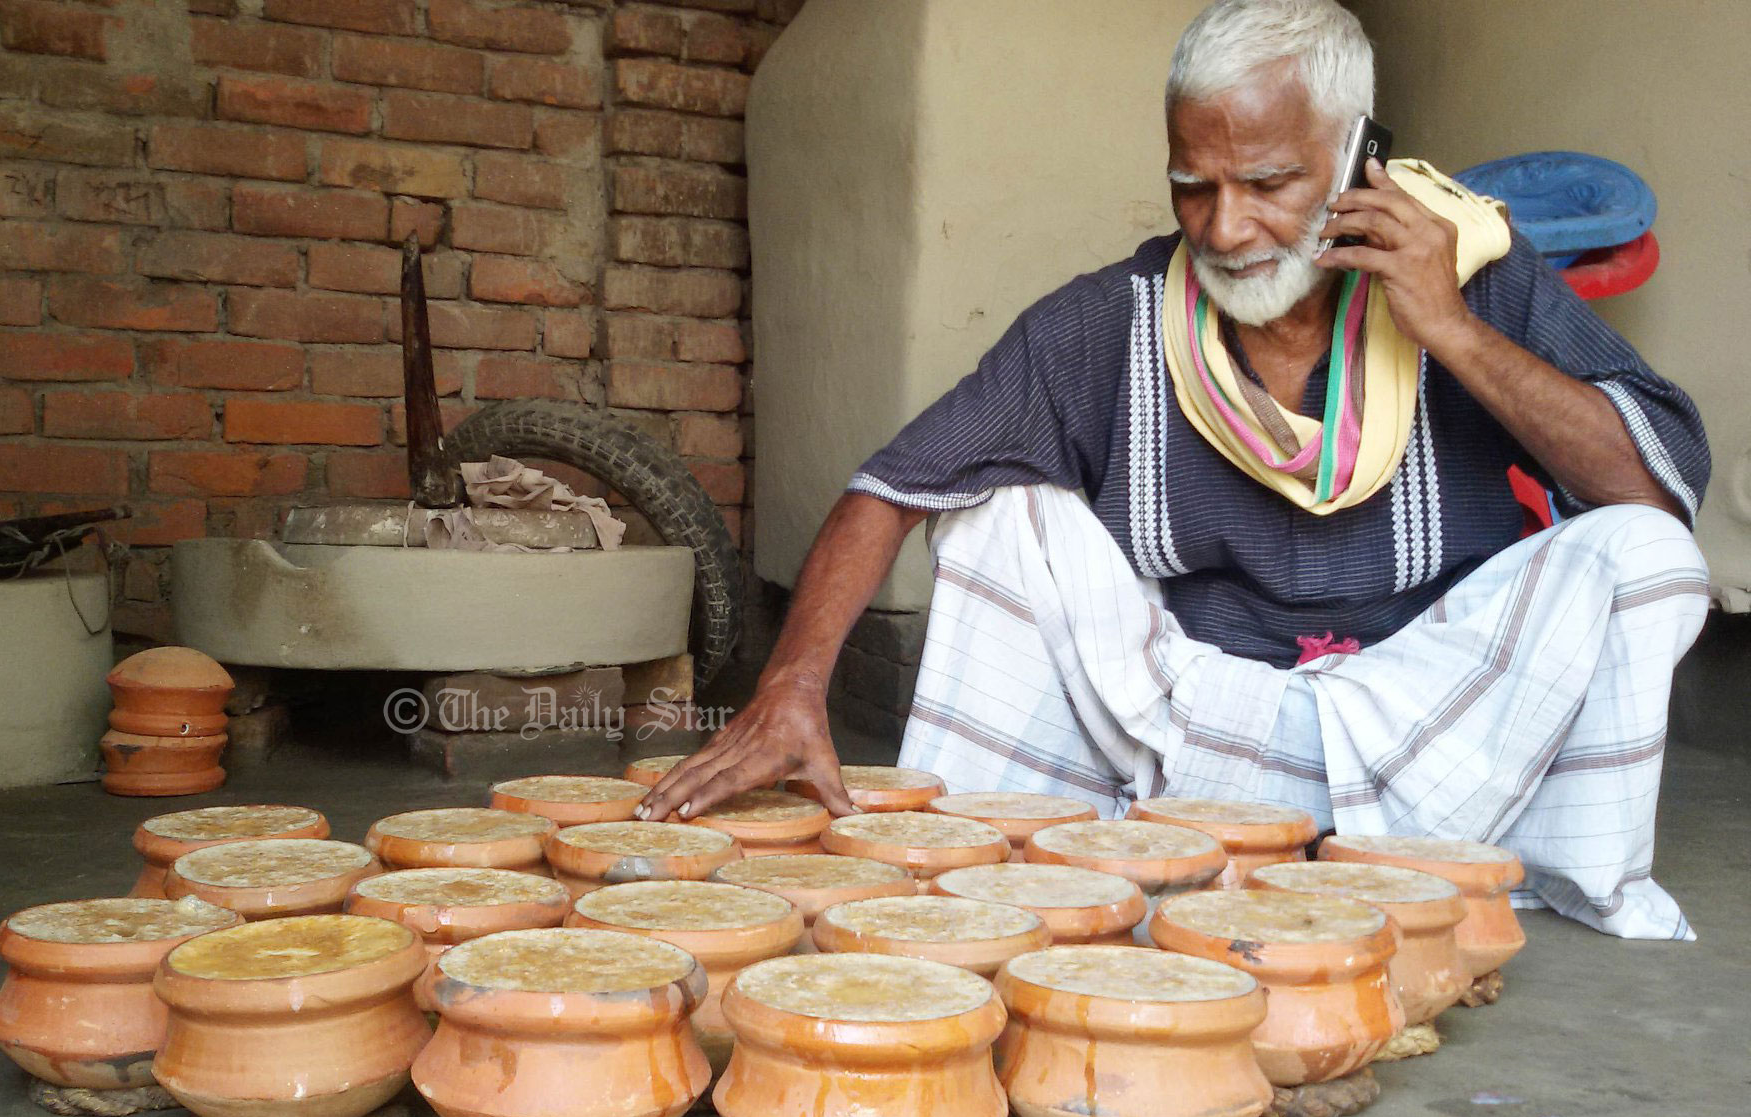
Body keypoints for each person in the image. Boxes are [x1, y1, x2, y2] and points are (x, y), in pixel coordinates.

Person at [639, 0, 1710, 940]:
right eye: (1193, 187)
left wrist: (1453, 330)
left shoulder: (1472, 279)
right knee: (1000, 514)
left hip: (1436, 729)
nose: (1226, 227)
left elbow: (1656, 488)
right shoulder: (1110, 321)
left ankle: (1480, 866)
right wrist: (789, 690)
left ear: (1356, 157)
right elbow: (891, 488)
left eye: (1270, 182)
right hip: (1191, 732)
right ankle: (1052, 853)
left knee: (1644, 554)